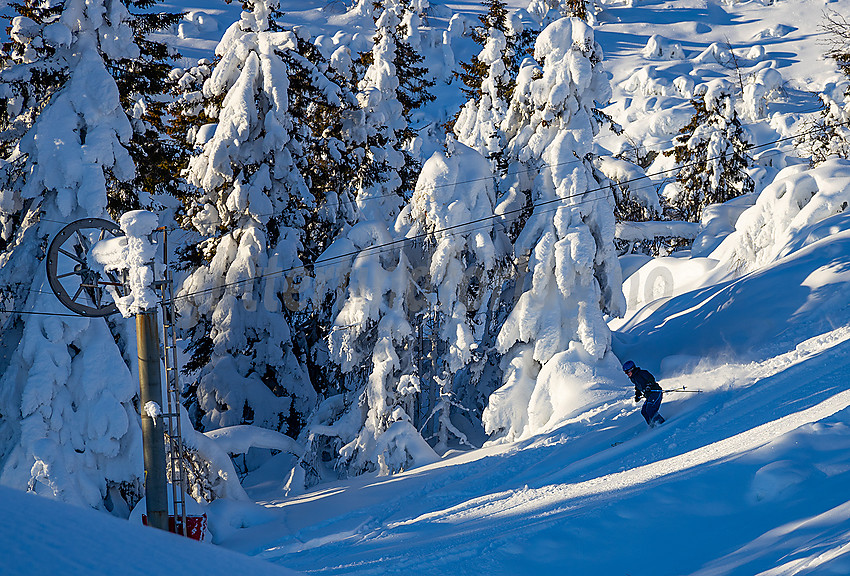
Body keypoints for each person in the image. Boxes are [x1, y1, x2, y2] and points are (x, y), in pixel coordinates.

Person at [623, 360, 665, 427]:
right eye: (625, 372)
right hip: (649, 395)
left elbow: (651, 378)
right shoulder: (633, 378)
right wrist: (637, 395)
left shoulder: (642, 373)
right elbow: (638, 387)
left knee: (650, 409)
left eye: (627, 371)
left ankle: (662, 424)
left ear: (632, 369)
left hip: (655, 392)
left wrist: (649, 386)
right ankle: (653, 426)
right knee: (644, 411)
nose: (627, 374)